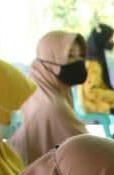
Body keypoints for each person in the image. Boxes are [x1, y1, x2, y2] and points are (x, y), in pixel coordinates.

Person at [9, 30, 91, 165]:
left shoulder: (36, 89)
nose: (78, 62)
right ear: (50, 60)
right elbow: (89, 150)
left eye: (80, 56)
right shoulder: (52, 106)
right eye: (70, 56)